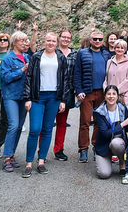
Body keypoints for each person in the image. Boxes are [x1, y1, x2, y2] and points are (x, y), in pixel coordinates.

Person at [22, 31, 68, 177]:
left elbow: (65, 80)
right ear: (45, 41)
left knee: (47, 129)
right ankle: (29, 163)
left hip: (54, 97)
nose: (51, 43)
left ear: (57, 42)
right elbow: (28, 78)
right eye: (48, 40)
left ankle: (41, 161)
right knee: (35, 129)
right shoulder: (36, 57)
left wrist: (63, 100)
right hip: (37, 96)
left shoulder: (61, 57)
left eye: (53, 41)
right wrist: (28, 98)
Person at [74, 30, 112, 163]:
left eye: (100, 39)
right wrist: (78, 90)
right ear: (90, 40)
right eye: (95, 39)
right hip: (87, 92)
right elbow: (77, 73)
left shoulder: (106, 54)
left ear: (103, 41)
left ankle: (97, 147)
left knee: (99, 121)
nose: (97, 41)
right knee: (84, 121)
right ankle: (83, 149)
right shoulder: (82, 53)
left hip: (102, 93)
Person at [0, 31, 30, 172]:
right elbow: (5, 77)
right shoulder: (7, 58)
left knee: (19, 126)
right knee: (13, 125)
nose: (24, 43)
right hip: (11, 96)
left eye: (25, 41)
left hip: (23, 96)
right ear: (14, 42)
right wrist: (22, 70)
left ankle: (12, 154)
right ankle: (6, 157)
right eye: (22, 41)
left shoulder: (26, 56)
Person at [94, 85, 128, 179]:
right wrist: (123, 124)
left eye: (114, 94)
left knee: (116, 143)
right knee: (104, 174)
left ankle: (122, 161)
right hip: (103, 144)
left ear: (117, 96)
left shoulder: (122, 108)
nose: (111, 96)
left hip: (118, 142)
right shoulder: (99, 112)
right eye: (108, 94)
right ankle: (107, 161)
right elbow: (106, 133)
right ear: (105, 96)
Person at [52, 29, 76, 161]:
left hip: (67, 91)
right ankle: (41, 148)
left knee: (61, 122)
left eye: (68, 38)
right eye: (64, 37)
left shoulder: (74, 54)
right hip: (51, 90)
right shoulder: (52, 52)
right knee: (47, 122)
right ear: (59, 38)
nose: (66, 39)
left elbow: (77, 73)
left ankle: (59, 149)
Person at [104, 39, 128, 111]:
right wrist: (106, 90)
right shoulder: (109, 62)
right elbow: (106, 78)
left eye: (122, 48)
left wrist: (115, 91)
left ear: (125, 49)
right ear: (114, 48)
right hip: (110, 97)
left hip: (124, 96)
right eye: (117, 47)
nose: (120, 49)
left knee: (124, 118)